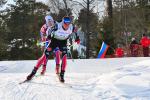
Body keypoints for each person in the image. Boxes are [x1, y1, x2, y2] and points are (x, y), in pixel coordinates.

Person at [27, 16, 80, 83]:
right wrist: (49, 37)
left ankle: (62, 75)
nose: (66, 25)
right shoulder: (57, 25)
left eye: (68, 24)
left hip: (63, 42)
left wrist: (77, 38)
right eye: (65, 23)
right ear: (62, 22)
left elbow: (76, 31)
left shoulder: (71, 27)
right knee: (44, 56)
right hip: (54, 41)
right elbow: (50, 30)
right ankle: (33, 73)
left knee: (64, 57)